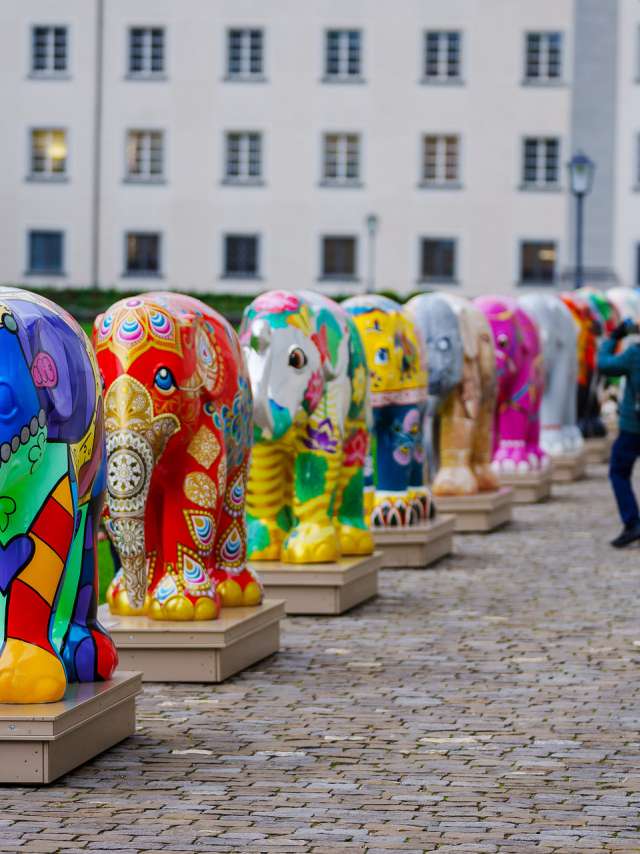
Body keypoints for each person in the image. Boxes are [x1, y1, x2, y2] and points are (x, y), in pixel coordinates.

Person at [598, 318, 640, 547]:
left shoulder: (634, 354)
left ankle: (632, 522)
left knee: (619, 472)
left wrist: (615, 336)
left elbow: (604, 364)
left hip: (633, 427)